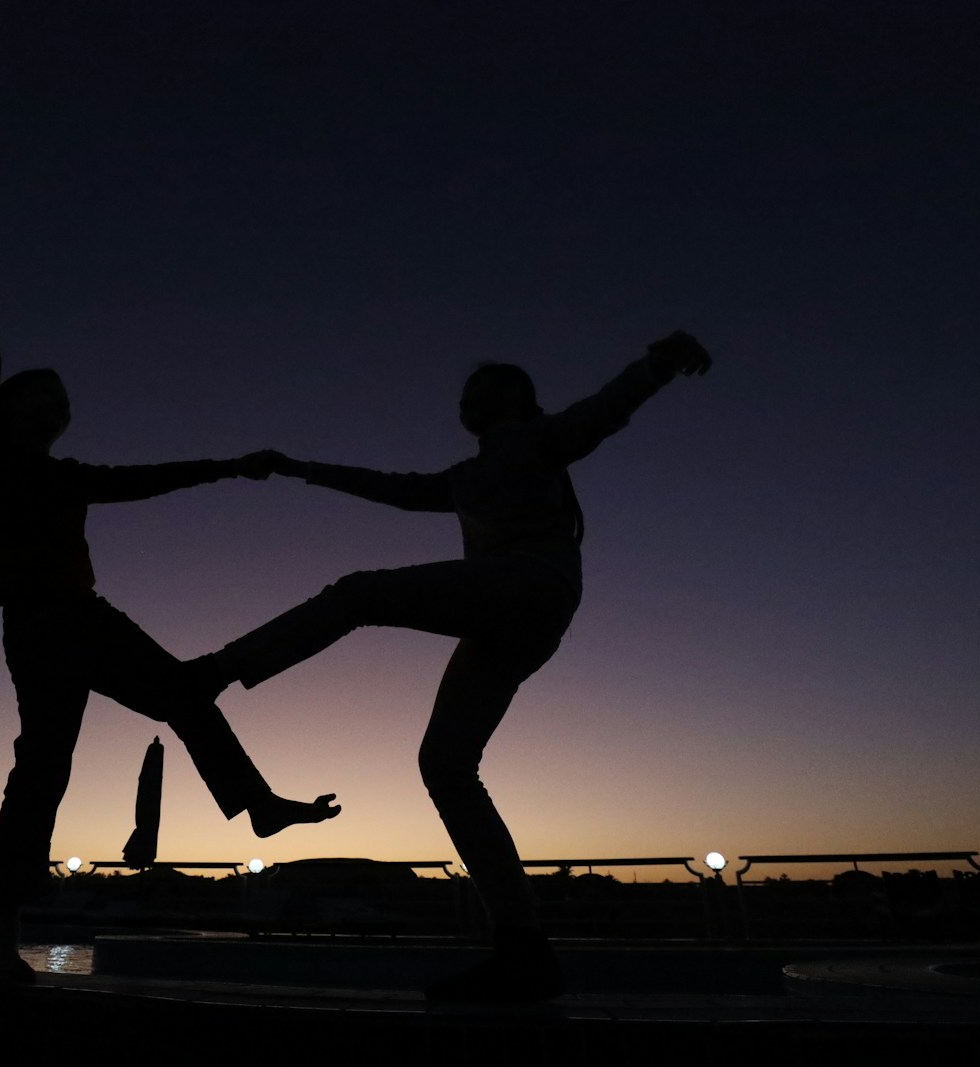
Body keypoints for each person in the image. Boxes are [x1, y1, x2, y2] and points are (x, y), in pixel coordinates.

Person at [183, 333, 712, 1001]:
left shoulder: (542, 439)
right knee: (446, 765)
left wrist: (658, 363)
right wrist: (301, 467)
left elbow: (606, 409)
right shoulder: (464, 478)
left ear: (518, 399)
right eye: (467, 393)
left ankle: (217, 669)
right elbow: (393, 489)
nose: (470, 397)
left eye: (487, 386)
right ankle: (523, 949)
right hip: (522, 613)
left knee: (357, 593)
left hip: (527, 584)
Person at [0, 196, 339, 983]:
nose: (61, 403)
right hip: (37, 626)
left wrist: (231, 465)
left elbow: (148, 480)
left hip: (87, 618)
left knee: (188, 693)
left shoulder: (69, 477)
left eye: (66, 399)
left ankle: (256, 803)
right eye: (46, 393)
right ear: (11, 408)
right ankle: (0, 938)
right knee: (43, 770)